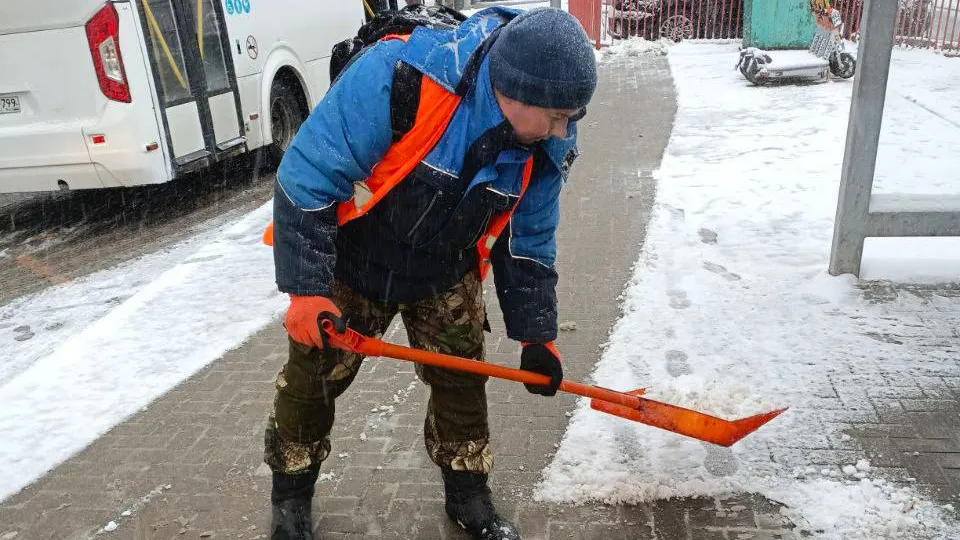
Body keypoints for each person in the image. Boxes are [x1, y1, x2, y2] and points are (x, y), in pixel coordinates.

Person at [264, 6, 597, 540]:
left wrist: (538, 337)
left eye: (572, 116)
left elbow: (529, 240)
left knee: (462, 381)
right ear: (512, 91)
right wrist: (305, 290)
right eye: (557, 116)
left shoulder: (547, 141)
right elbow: (306, 177)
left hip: (445, 268)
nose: (564, 130)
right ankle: (291, 495)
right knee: (312, 383)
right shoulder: (403, 77)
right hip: (355, 259)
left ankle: (469, 496)